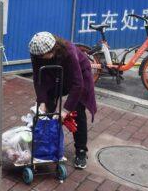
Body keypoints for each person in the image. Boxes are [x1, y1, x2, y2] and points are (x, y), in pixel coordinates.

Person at [28, 31, 97, 169]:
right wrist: (42, 101)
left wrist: (65, 111)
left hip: (78, 75)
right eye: (39, 57)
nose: (41, 58)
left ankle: (81, 151)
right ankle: (46, 145)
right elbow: (38, 78)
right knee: (46, 109)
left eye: (44, 55)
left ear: (53, 48)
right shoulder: (37, 53)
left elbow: (78, 85)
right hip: (53, 74)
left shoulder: (68, 51)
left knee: (77, 111)